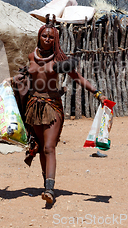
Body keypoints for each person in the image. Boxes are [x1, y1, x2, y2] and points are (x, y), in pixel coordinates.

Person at [20, 14, 107, 204]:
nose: (47, 39)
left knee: (50, 147)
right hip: (34, 106)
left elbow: (78, 78)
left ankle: (50, 191)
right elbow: (25, 83)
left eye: (51, 37)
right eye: (44, 36)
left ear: (56, 40)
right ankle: (46, 185)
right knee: (42, 149)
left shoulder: (60, 61)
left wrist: (97, 93)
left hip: (52, 106)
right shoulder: (30, 57)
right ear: (39, 37)